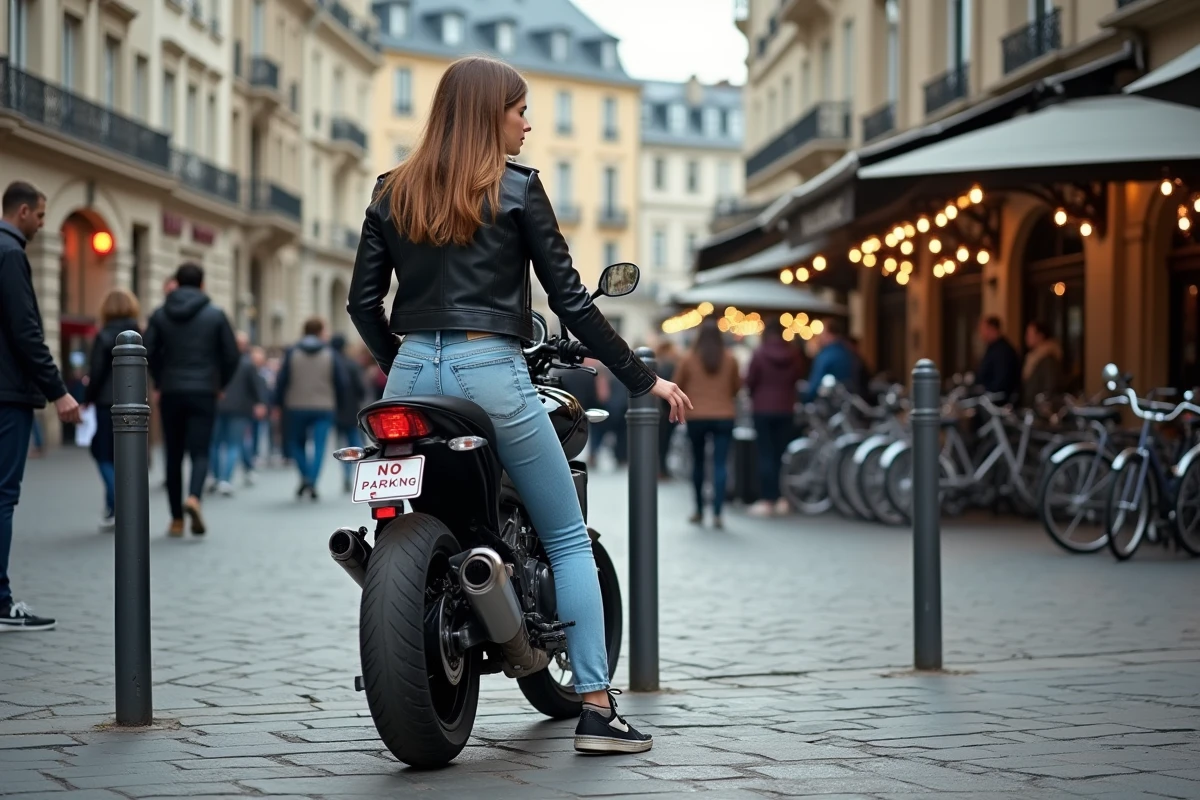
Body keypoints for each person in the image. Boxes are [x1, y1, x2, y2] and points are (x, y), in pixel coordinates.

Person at [347, 56, 690, 755]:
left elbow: (362, 305)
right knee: (566, 538)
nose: (528, 121)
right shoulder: (517, 190)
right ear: (488, 114)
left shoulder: (391, 190)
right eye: (518, 108)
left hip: (410, 371)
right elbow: (573, 302)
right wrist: (640, 379)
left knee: (421, 512)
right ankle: (597, 710)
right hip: (491, 368)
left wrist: (402, 367)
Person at [0, 181, 80, 631]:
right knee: (4, 496)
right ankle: (1, 600)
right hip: (8, 394)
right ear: (24, 211)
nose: (42, 224)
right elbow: (26, 332)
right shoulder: (11, 254)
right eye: (43, 216)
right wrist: (58, 391)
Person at [144, 262, 239, 537]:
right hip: (203, 391)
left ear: (176, 283)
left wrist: (160, 379)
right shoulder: (216, 314)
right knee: (200, 451)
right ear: (202, 284)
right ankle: (194, 498)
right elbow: (231, 354)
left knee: (173, 454)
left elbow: (146, 350)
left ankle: (175, 520)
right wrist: (219, 382)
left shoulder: (161, 314)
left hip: (172, 390)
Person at [674, 318, 741, 529]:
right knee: (720, 464)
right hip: (724, 416)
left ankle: (699, 510)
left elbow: (678, 385)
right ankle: (719, 513)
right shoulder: (730, 359)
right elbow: (737, 387)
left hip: (697, 417)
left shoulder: (688, 359)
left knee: (698, 463)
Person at [84, 289, 141, 532]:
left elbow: (96, 371)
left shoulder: (105, 335)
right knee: (126, 456)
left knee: (102, 453)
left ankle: (118, 503)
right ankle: (115, 507)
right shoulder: (140, 334)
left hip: (108, 403)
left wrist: (87, 398)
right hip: (136, 403)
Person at [274, 318, 343, 499]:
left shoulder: (292, 352)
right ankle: (312, 481)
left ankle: (304, 476)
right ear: (320, 331)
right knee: (320, 445)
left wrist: (277, 403)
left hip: (295, 405)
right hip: (324, 405)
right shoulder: (330, 353)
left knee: (296, 443)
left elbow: (282, 380)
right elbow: (341, 382)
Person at [745, 320, 805, 517]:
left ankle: (767, 499)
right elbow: (798, 377)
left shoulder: (759, 353)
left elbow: (750, 380)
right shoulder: (793, 354)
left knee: (765, 454)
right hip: (786, 408)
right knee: (781, 455)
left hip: (762, 409)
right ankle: (782, 498)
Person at [210, 332, 268, 495]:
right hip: (239, 409)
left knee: (215, 444)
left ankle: (215, 477)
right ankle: (225, 480)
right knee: (233, 445)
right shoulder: (247, 364)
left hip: (218, 406)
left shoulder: (217, 362)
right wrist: (260, 403)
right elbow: (255, 386)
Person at [330, 333, 367, 494]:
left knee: (342, 446)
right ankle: (355, 475)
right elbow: (361, 389)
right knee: (356, 445)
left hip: (336, 410)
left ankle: (345, 473)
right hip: (352, 411)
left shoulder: (330, 364)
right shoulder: (352, 365)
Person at [801, 318, 861, 402]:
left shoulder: (826, 355)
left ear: (829, 334)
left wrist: (805, 399)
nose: (820, 337)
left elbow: (814, 385)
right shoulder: (848, 351)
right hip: (850, 402)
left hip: (831, 404)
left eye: (822, 333)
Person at [976, 316, 1021, 401]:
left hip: (997, 401)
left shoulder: (1003, 351)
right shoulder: (992, 348)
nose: (981, 334)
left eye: (982, 330)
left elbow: (1001, 382)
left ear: (992, 329)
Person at [1021, 320, 1063, 409]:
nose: (1026, 338)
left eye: (1030, 334)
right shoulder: (1032, 357)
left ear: (1040, 336)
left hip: (1040, 411)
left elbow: (1050, 388)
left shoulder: (1048, 359)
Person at [654, 339, 680, 479]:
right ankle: (662, 470)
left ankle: (660, 469)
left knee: (660, 443)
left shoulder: (657, 365)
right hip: (667, 409)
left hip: (660, 409)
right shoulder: (670, 366)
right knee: (664, 443)